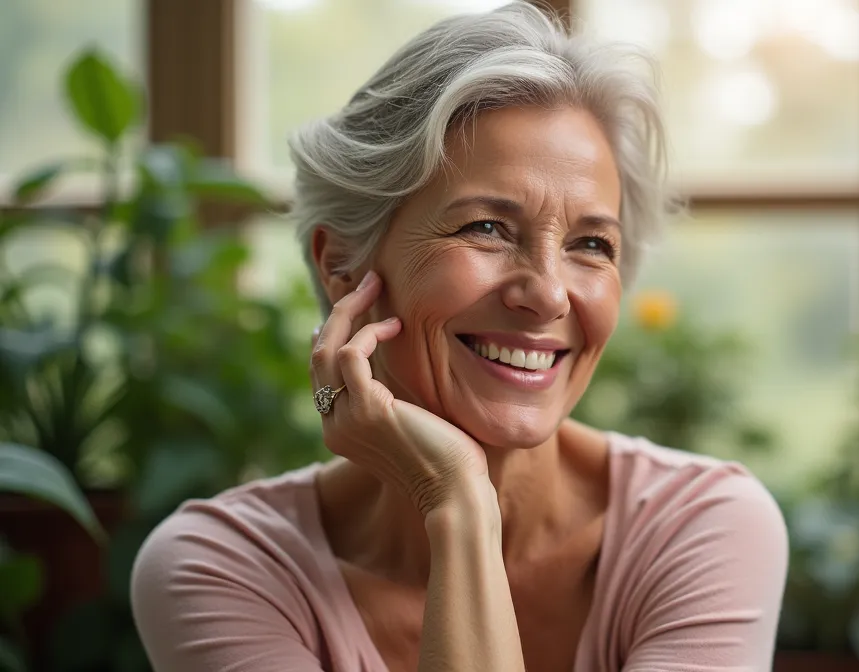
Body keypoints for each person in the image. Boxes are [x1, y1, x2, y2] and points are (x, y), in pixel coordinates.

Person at [130, 3, 788, 670]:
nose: (549, 293)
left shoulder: (702, 529)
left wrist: (454, 504)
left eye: (592, 243)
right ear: (342, 264)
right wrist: (459, 504)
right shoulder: (220, 570)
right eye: (487, 228)